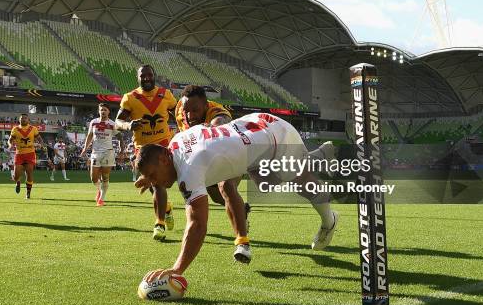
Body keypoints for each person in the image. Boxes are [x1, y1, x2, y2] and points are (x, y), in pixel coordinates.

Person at [135, 113, 339, 281]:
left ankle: (329, 220)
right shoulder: (176, 141)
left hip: (277, 137)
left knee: (301, 183)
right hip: (255, 126)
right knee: (268, 184)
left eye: (153, 175)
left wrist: (177, 269)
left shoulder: (189, 170)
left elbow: (197, 224)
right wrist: (150, 177)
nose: (154, 183)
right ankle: (315, 156)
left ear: (163, 159)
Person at [175, 85, 251, 262]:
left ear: (206, 105)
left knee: (226, 185)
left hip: (231, 153)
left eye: (195, 110)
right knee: (218, 198)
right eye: (187, 111)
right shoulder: (181, 109)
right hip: (205, 159)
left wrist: (210, 129)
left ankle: (243, 243)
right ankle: (242, 209)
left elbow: (221, 120)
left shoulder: (217, 111)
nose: (190, 116)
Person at [115, 65, 177, 241]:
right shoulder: (130, 98)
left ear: (154, 76)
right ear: (138, 78)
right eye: (143, 76)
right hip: (142, 148)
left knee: (157, 185)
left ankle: (159, 224)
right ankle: (166, 209)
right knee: (153, 186)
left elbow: (178, 113)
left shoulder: (166, 94)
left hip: (164, 145)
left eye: (150, 75)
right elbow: (118, 121)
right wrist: (128, 125)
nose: (147, 78)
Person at [81, 103, 124, 206]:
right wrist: (85, 148)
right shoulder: (93, 122)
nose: (103, 111)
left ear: (108, 111)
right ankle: (99, 189)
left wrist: (122, 151)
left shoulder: (113, 124)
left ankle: (101, 199)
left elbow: (120, 138)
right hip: (95, 152)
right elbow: (90, 136)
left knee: (105, 177)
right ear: (99, 111)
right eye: (101, 110)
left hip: (108, 152)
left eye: (105, 110)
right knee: (93, 178)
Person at [8, 114, 45, 199]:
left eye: (25, 118)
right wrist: (10, 145)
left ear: (28, 120)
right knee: (16, 175)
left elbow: (39, 138)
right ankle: (18, 182)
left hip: (30, 154)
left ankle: (28, 193)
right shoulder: (15, 129)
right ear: (19, 120)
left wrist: (41, 144)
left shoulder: (33, 129)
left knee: (29, 173)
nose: (23, 119)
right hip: (19, 154)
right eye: (22, 118)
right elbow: (10, 140)